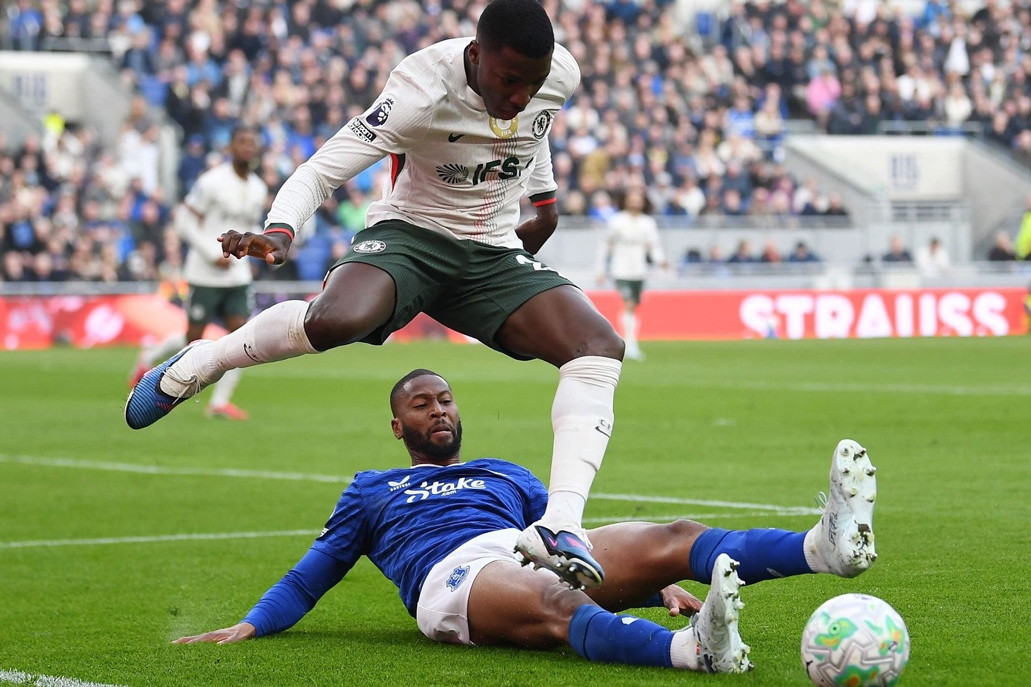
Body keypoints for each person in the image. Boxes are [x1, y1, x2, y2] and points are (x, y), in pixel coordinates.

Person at [125, 0, 625, 590]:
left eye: (531, 84)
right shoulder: (420, 89)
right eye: (507, 81)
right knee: (337, 320)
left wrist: (543, 200)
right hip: (411, 235)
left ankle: (561, 523)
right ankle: (203, 360)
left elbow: (532, 127)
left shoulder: (556, 74)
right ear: (475, 56)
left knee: (598, 345)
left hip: (489, 248)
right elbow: (320, 171)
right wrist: (280, 230)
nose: (519, 96)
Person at [172, 369, 879, 676]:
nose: (439, 409)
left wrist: (652, 583)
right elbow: (314, 570)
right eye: (421, 404)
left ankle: (823, 550)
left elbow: (564, 536)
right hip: (452, 578)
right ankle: (695, 652)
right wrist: (255, 621)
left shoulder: (505, 472)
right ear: (398, 424)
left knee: (672, 537)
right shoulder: (373, 488)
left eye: (445, 398)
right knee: (552, 601)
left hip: (520, 549)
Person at [128, 126, 268, 420]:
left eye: (251, 143)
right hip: (205, 272)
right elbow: (183, 221)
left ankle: (219, 402)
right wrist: (210, 252)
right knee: (193, 337)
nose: (247, 148)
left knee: (241, 338)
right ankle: (148, 360)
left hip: (237, 275)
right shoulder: (212, 181)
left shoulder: (258, 187)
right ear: (230, 147)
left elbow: (250, 228)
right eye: (241, 142)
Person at [595, 187, 668, 361]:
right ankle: (629, 344)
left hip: (639, 270)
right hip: (621, 269)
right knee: (628, 303)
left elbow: (653, 245)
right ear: (625, 201)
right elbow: (606, 245)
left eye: (638, 199)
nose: (635, 202)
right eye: (632, 198)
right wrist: (600, 269)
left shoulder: (648, 223)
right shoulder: (616, 221)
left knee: (633, 305)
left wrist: (661, 260)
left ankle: (631, 341)